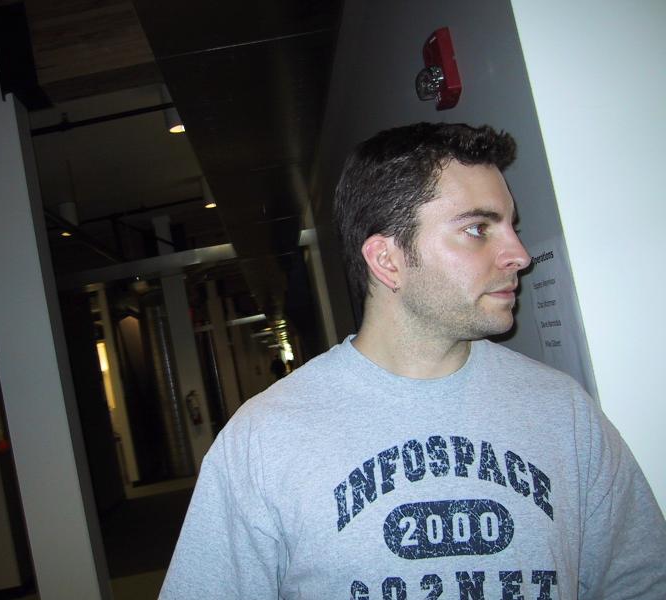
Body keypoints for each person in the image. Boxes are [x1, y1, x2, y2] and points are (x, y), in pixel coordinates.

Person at [159, 123, 666, 599]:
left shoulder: (563, 410)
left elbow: (641, 581)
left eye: (511, 227)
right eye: (478, 229)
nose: (520, 255)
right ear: (387, 260)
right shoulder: (265, 439)